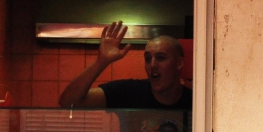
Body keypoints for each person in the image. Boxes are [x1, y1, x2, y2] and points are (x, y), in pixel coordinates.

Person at [58, 21, 192, 110]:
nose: (152, 65)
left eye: (161, 58)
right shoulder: (129, 92)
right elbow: (68, 103)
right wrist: (101, 61)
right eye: (147, 59)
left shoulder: (194, 102)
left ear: (179, 63)